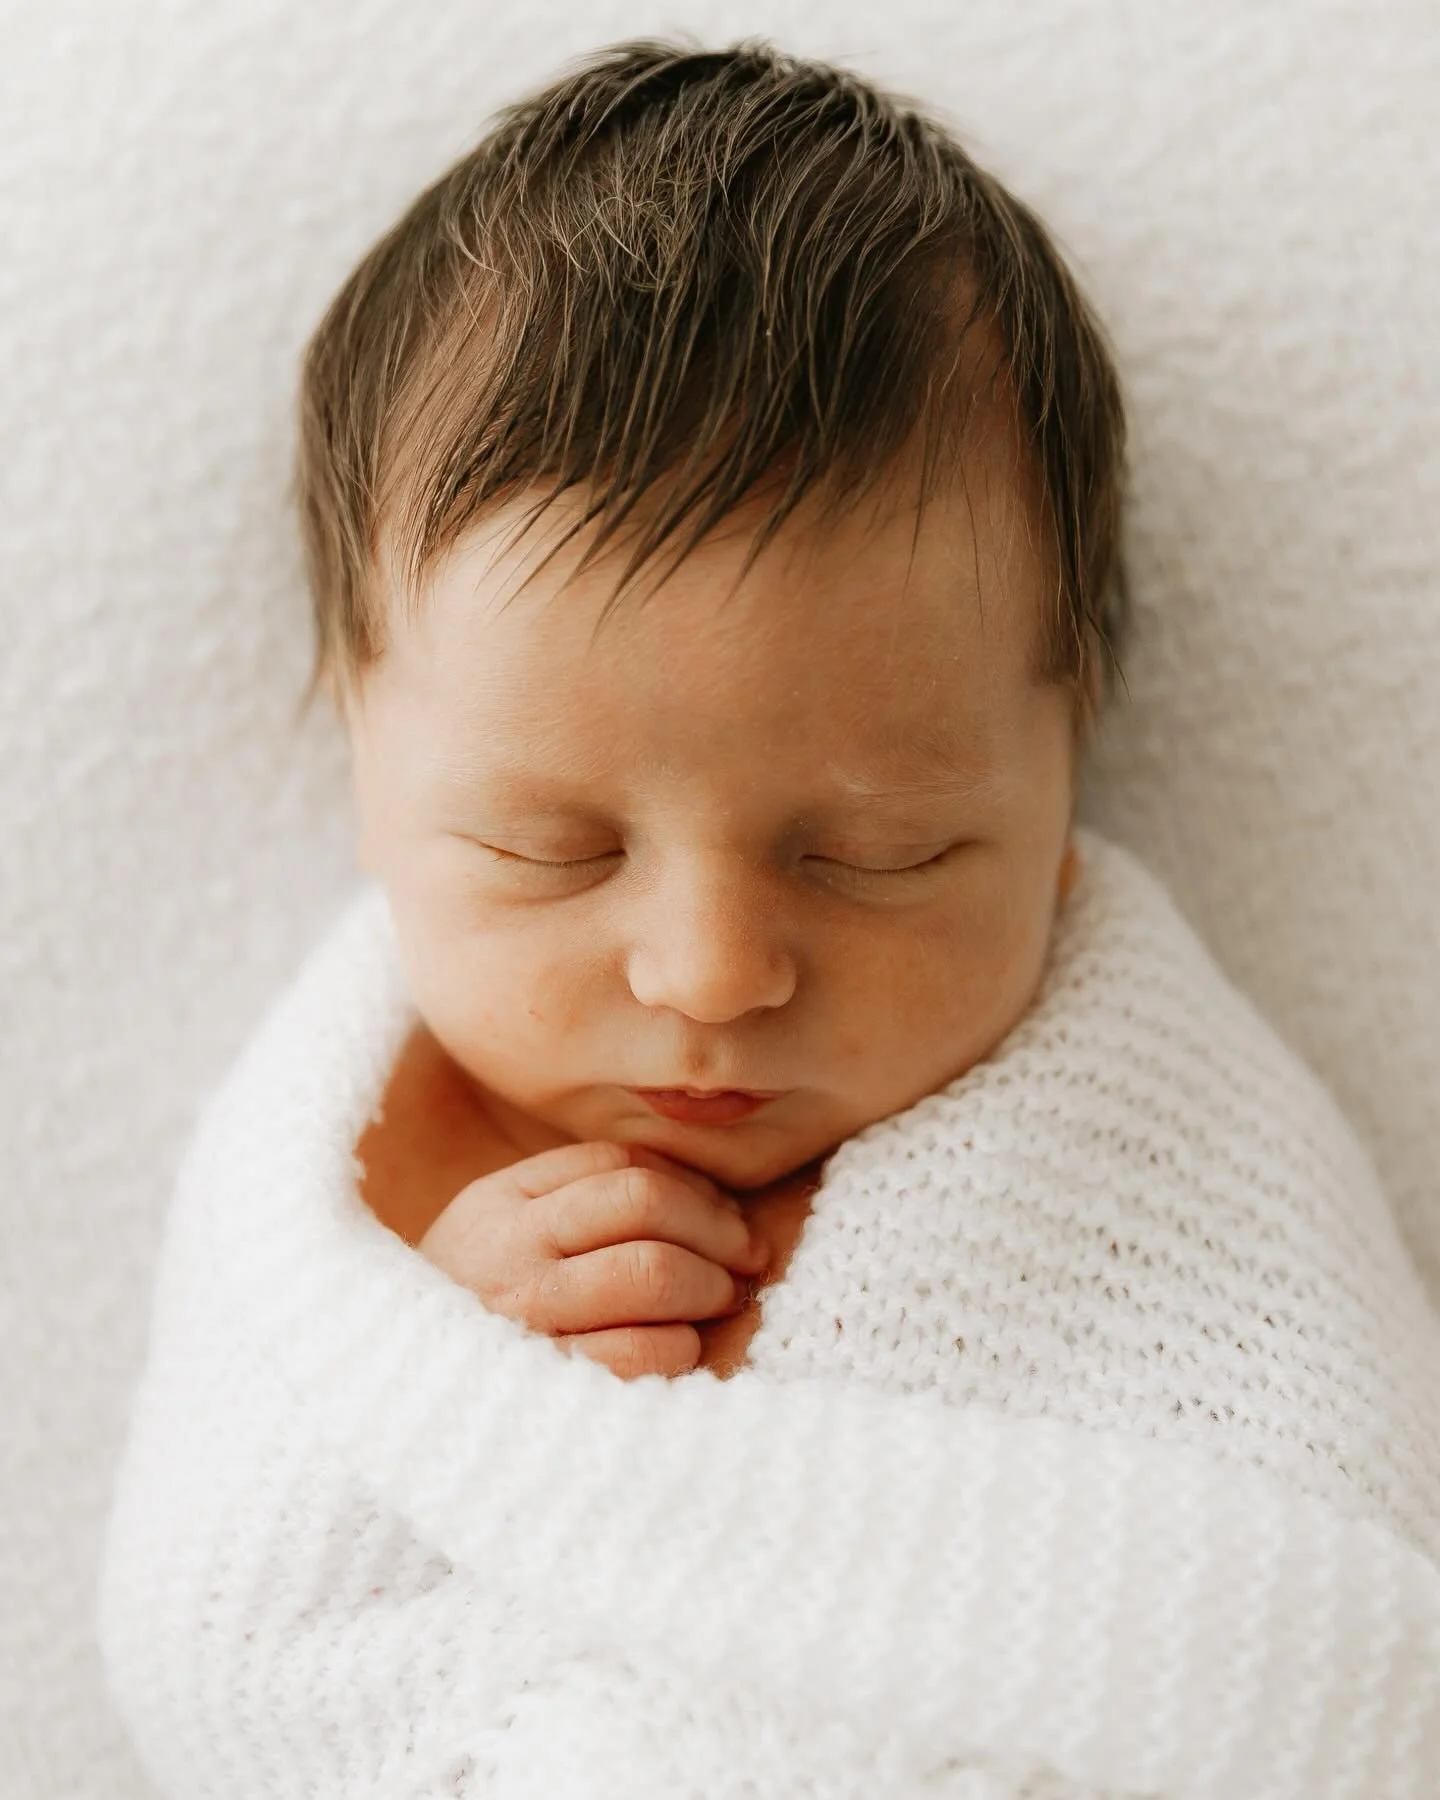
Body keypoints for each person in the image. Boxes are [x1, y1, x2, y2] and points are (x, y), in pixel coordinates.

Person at [293, 36, 1128, 1381]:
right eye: (548, 849)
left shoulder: (1151, 1150)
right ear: (362, 764)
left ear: (1071, 760)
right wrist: (426, 1366)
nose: (713, 974)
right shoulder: (338, 1180)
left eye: (881, 853)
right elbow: (233, 1562)